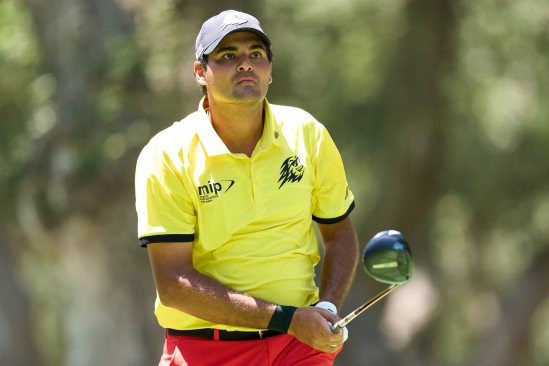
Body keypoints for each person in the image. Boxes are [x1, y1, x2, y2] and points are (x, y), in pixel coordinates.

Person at [135, 9, 358, 366]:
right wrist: (287, 318)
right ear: (200, 73)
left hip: (298, 347)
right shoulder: (167, 154)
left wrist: (326, 308)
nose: (245, 64)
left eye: (256, 54)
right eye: (228, 55)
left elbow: (340, 234)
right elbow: (174, 282)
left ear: (270, 70)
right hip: (205, 349)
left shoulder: (307, 133)